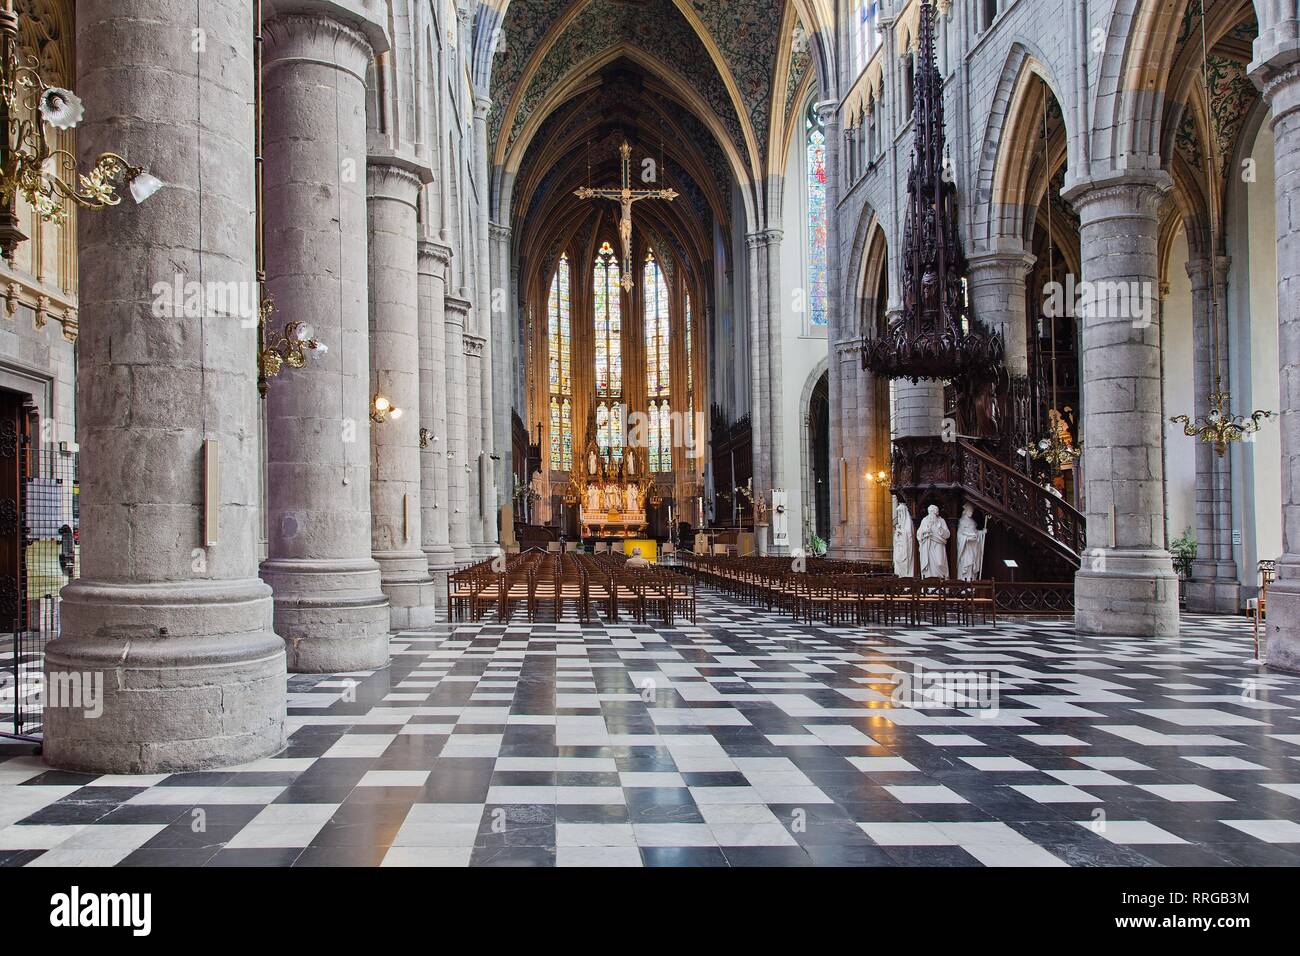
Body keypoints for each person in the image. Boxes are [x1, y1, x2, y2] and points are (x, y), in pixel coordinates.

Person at [916, 504, 950, 579]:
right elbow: (919, 533)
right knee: (929, 564)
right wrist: (925, 531)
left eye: (934, 512)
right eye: (931, 512)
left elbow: (947, 534)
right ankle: (928, 583)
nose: (932, 514)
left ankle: (942, 581)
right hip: (928, 546)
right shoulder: (925, 520)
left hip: (939, 544)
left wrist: (940, 529)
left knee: (940, 563)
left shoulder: (941, 521)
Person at [956, 503, 981, 582]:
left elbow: (975, 532)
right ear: (965, 511)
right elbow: (959, 535)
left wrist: (981, 532)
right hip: (965, 546)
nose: (971, 513)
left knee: (972, 563)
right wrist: (966, 539)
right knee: (966, 562)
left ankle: (971, 580)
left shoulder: (973, 522)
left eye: (972, 511)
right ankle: (964, 580)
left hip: (973, 546)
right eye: (970, 511)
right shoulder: (962, 521)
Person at [892, 501, 915, 578]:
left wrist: (901, 532)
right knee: (899, 563)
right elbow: (896, 539)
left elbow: (909, 535)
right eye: (898, 514)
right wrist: (897, 534)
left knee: (905, 564)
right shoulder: (900, 523)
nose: (899, 516)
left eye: (901, 513)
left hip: (906, 549)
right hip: (900, 548)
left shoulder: (908, 523)